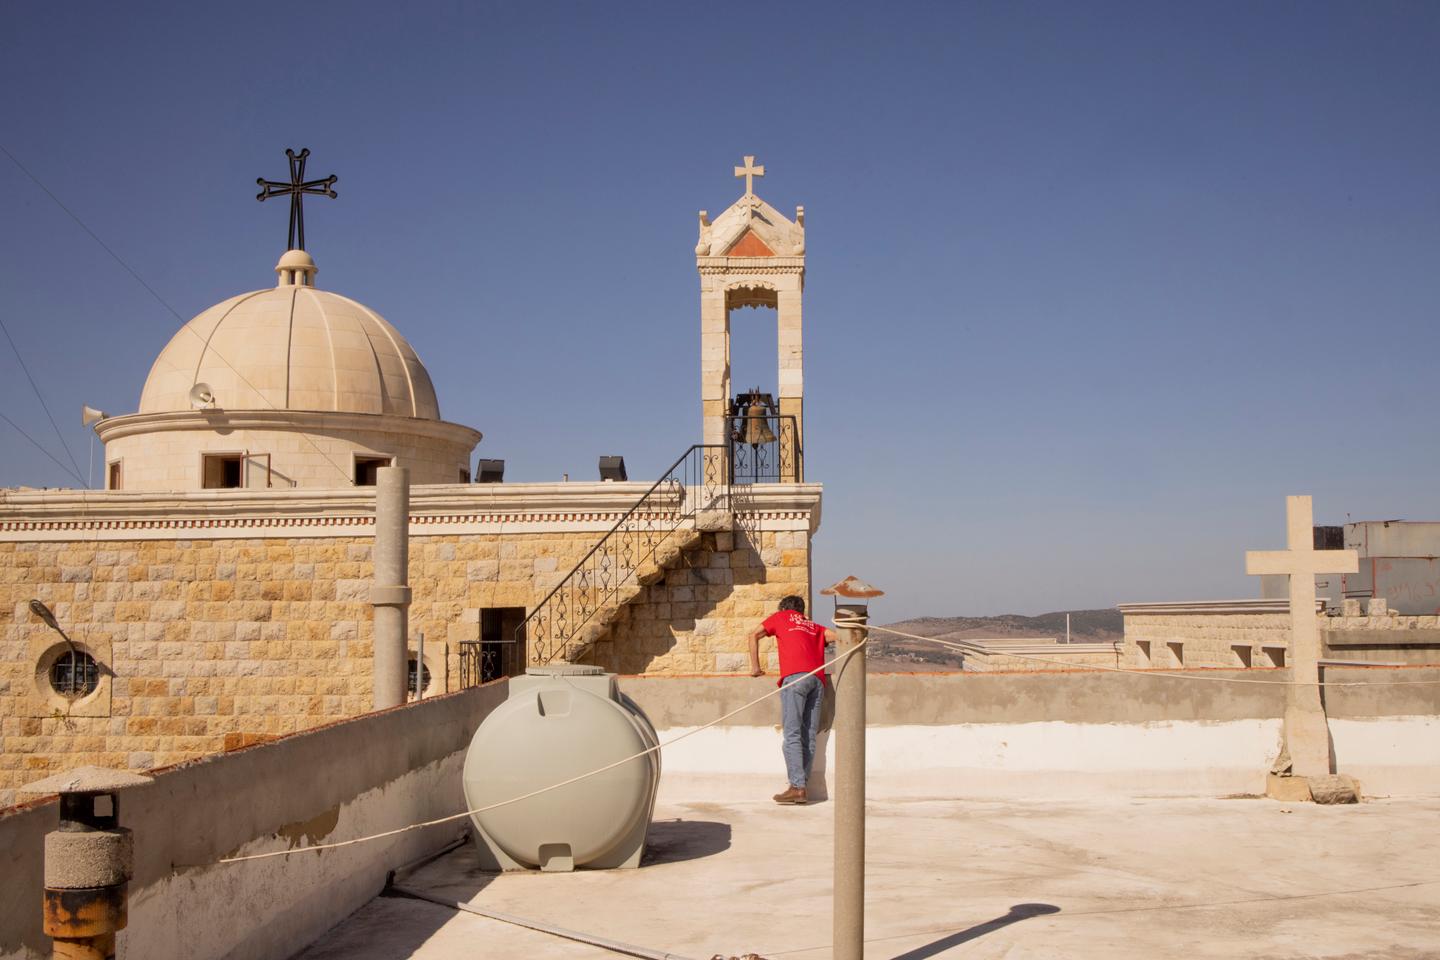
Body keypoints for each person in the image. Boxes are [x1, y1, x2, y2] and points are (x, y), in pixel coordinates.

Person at [749, 595, 837, 804]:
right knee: (808, 734)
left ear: (783, 608)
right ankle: (801, 786)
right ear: (802, 610)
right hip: (817, 681)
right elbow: (838, 637)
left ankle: (797, 787)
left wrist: (755, 668)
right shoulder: (812, 625)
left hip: (795, 678)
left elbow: (753, 635)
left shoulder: (781, 617)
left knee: (792, 734)